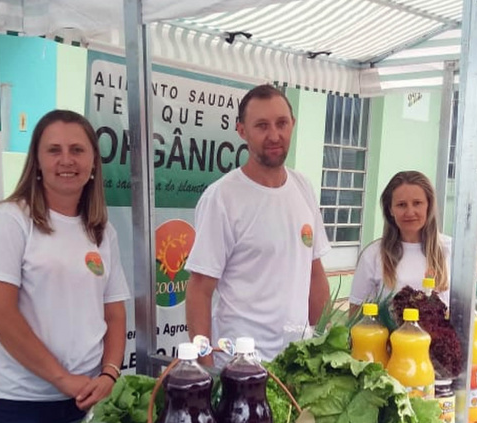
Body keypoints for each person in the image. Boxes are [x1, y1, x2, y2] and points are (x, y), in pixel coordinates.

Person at [0, 109, 130, 423]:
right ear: (37, 162)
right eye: (54, 150)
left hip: (86, 405)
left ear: (93, 163)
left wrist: (109, 373)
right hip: (22, 409)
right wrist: (62, 379)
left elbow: (115, 312)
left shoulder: (100, 230)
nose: (66, 160)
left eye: (77, 150)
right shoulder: (12, 220)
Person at [185, 84, 331, 365]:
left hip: (296, 364)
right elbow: (199, 290)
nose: (274, 135)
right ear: (242, 131)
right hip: (239, 367)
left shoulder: (303, 188)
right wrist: (205, 371)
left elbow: (314, 275)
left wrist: (323, 347)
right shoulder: (222, 198)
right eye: (261, 126)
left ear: (293, 124)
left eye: (281, 123)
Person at [348, 171, 451, 313]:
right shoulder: (372, 255)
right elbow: (356, 317)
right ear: (390, 209)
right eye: (401, 205)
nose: (410, 212)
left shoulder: (452, 250)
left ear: (429, 205)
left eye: (417, 203)